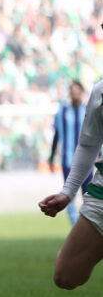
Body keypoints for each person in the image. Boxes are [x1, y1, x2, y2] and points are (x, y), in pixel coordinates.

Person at [40, 78, 103, 297]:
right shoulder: (100, 90)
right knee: (65, 275)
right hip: (101, 196)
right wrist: (68, 192)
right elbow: (89, 143)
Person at [48, 80, 93, 225]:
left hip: (87, 161)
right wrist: (51, 157)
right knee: (68, 196)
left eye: (77, 90)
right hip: (68, 161)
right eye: (72, 90)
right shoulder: (62, 112)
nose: (75, 93)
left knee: (88, 196)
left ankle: (86, 226)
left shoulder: (88, 111)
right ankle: (76, 226)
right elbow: (56, 135)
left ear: (82, 92)